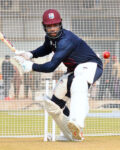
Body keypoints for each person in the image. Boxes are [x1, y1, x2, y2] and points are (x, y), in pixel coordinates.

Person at [14, 9, 103, 141]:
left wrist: (31, 66)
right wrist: (30, 54)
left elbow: (51, 67)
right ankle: (71, 134)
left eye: (55, 25)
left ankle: (77, 122)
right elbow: (45, 48)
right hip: (73, 70)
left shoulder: (67, 40)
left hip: (90, 65)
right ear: (44, 27)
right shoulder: (50, 38)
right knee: (53, 105)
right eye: (49, 26)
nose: (53, 29)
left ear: (60, 24)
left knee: (79, 83)